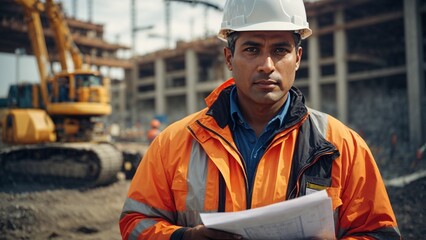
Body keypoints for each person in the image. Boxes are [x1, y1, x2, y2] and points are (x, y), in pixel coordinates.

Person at [119, 0, 401, 239]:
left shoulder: (342, 146)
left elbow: (378, 231)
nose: (267, 66)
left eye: (280, 50)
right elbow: (135, 221)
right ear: (229, 58)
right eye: (252, 49)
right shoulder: (174, 142)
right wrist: (183, 237)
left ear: (298, 57)